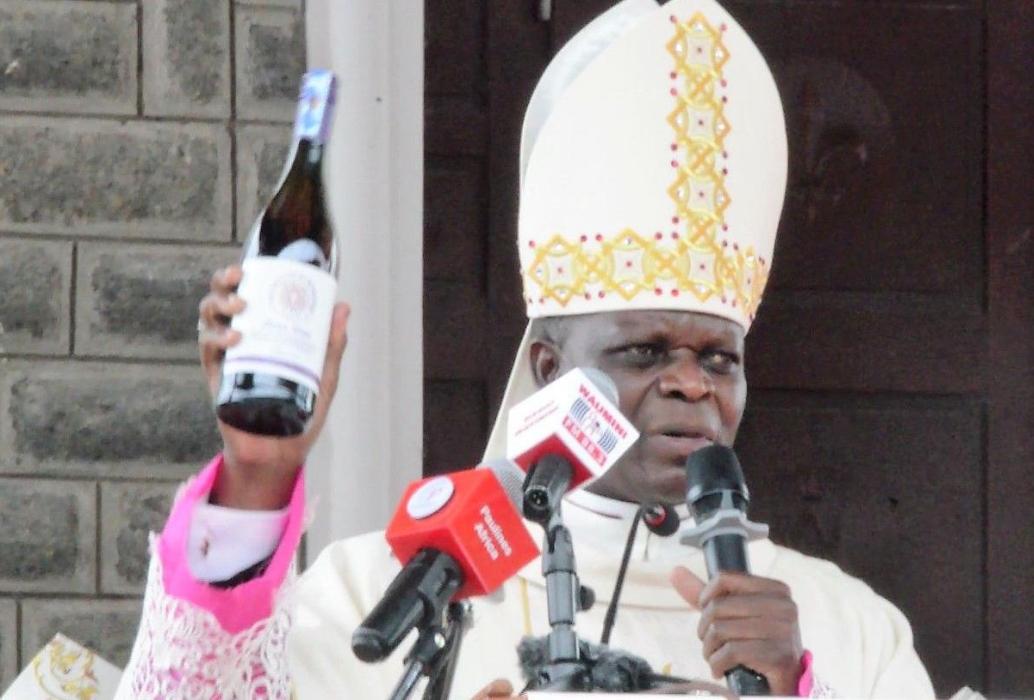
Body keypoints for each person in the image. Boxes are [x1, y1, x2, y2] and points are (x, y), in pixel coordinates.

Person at [106, 0, 936, 698]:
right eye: (645, 353)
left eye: (718, 359)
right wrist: (258, 476)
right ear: (549, 371)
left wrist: (795, 684)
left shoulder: (844, 627)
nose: (691, 383)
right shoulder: (396, 591)